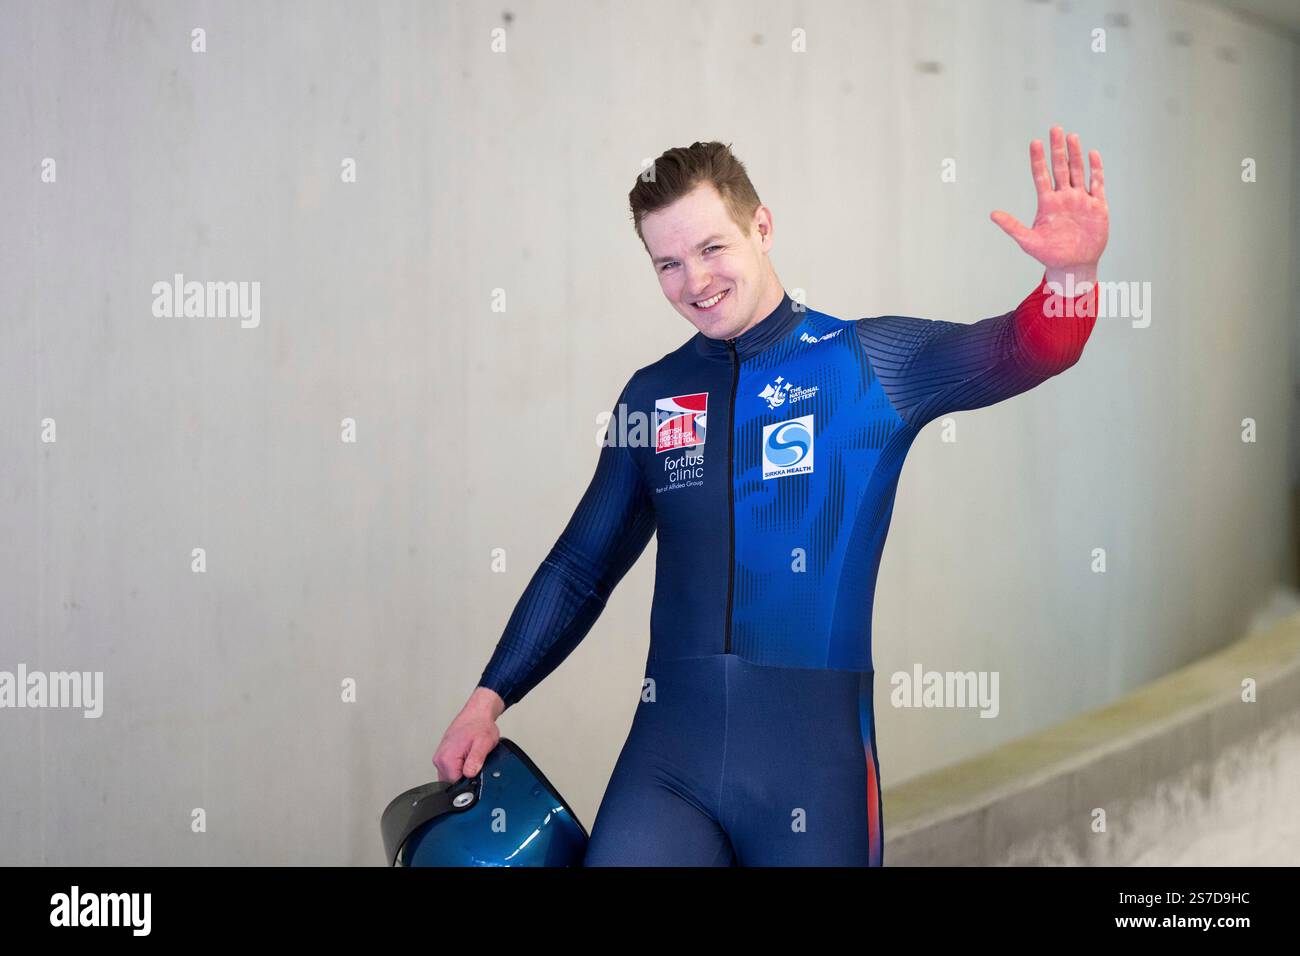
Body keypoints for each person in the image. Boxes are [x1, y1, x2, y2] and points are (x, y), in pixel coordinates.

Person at [433, 129, 1107, 865]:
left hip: (812, 773)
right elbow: (580, 566)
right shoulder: (654, 396)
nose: (694, 281)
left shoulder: (868, 363)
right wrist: (489, 696)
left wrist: (1071, 277)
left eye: (712, 248)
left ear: (762, 226)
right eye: (667, 263)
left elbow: (1026, 349)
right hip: (669, 765)